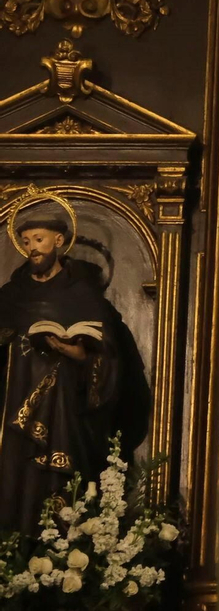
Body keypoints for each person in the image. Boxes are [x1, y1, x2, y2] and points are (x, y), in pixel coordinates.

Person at [0, 197, 150, 536]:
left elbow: (110, 361)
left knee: (61, 488)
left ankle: (58, 544)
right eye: (26, 241)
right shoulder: (10, 295)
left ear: (59, 241)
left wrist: (78, 355)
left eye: (39, 239)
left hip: (65, 414)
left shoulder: (84, 296)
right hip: (14, 410)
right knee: (15, 481)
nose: (32, 248)